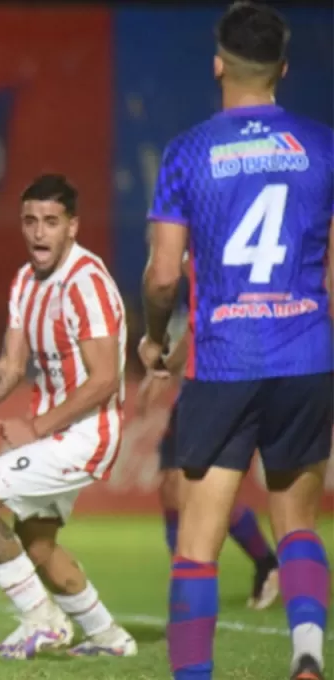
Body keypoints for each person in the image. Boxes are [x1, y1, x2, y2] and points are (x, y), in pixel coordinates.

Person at [140, 5, 332, 679]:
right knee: (300, 525)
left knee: (197, 545)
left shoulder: (189, 153)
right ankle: (307, 654)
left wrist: (153, 336)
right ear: (283, 67)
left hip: (224, 360)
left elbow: (164, 275)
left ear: (218, 63)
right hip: (306, 357)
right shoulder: (323, 145)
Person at [0, 174, 137, 660]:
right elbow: (9, 367)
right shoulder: (25, 281)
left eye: (51, 221)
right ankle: (109, 638)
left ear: (73, 227)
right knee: (36, 545)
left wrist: (37, 428)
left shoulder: (86, 284)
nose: (39, 232)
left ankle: (41, 621)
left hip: (86, 434)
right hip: (56, 433)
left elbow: (106, 378)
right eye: (30, 221)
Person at [136, 253, 279, 610]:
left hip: (221, 386)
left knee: (198, 492)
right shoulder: (198, 270)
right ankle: (185, 583)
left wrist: (164, 368)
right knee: (172, 486)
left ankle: (262, 563)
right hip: (195, 390)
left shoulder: (218, 263)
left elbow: (199, 325)